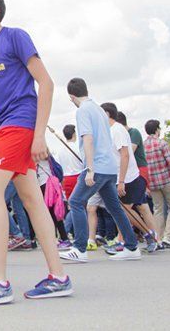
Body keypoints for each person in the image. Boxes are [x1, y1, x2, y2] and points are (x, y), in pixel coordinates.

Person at [0, 0, 71, 306]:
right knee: (32, 200)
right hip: (3, 130)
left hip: (22, 123)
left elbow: (46, 83)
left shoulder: (15, 37)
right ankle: (59, 276)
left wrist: (39, 135)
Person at [61, 78, 141, 262]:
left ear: (71, 97)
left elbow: (88, 139)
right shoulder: (98, 109)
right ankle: (131, 246)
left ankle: (80, 249)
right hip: (110, 166)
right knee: (114, 207)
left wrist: (89, 168)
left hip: (96, 165)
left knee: (75, 201)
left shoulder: (82, 111)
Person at [103, 103, 159, 253]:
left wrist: (121, 181)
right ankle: (145, 235)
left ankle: (139, 237)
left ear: (107, 114)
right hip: (121, 178)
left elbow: (125, 155)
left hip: (129, 178)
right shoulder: (110, 131)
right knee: (125, 211)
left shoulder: (117, 130)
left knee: (124, 211)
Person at [143, 119, 170, 248]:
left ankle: (158, 238)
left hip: (152, 183)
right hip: (166, 180)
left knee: (158, 209)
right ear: (157, 130)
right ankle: (168, 236)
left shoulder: (143, 145)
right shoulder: (162, 144)